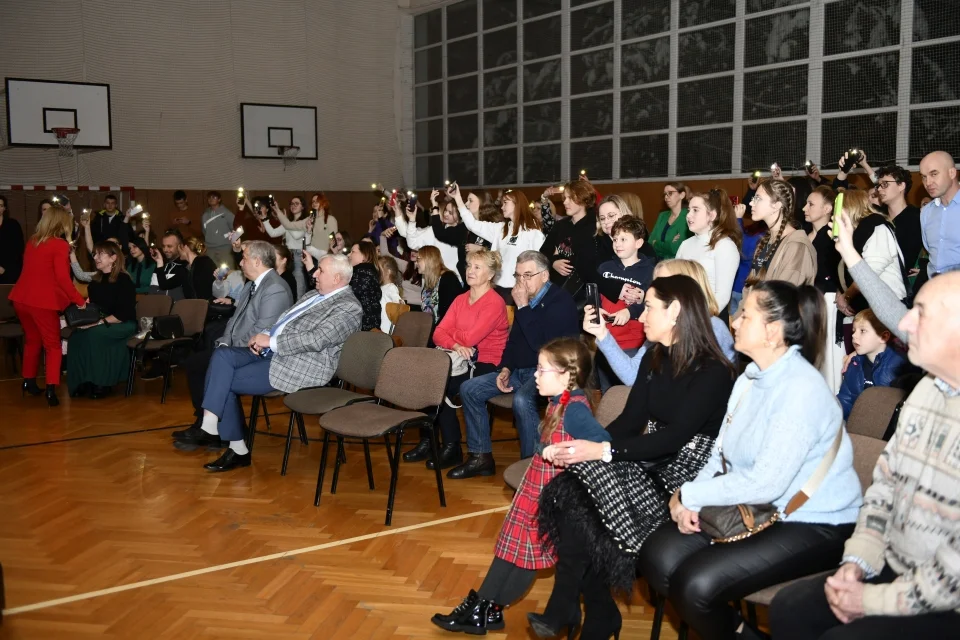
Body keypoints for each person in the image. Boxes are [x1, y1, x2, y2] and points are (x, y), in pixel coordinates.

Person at [637, 281, 863, 640]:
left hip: (813, 521)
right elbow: (719, 455)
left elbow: (767, 482)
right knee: (657, 556)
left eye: (745, 314)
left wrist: (691, 496)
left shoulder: (800, 390)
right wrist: (690, 496)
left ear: (772, 332)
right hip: (758, 505)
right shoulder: (748, 379)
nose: (735, 321)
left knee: (695, 586)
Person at [770, 223, 960, 640]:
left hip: (948, 597)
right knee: (790, 609)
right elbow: (883, 491)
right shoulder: (926, 391)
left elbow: (952, 576)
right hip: (895, 564)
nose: (906, 320)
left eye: (921, 312)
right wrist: (856, 564)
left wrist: (869, 601)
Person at [530, 275, 737, 639]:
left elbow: (676, 438)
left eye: (650, 308)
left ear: (675, 312)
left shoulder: (714, 371)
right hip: (652, 455)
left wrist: (604, 451)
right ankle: (587, 612)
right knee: (580, 488)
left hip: (690, 471)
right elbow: (632, 420)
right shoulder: (656, 358)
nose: (641, 317)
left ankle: (576, 609)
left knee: (590, 505)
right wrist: (594, 450)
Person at [431, 338, 611, 635]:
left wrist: (571, 453)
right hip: (536, 488)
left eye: (542, 370)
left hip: (551, 498)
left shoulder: (576, 409)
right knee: (509, 548)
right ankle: (484, 608)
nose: (536, 376)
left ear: (567, 376)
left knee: (525, 554)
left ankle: (488, 609)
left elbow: (604, 445)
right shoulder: (560, 401)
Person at [193, 253, 362, 472]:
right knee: (222, 355)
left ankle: (235, 447)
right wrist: (263, 335)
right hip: (274, 352)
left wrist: (271, 342)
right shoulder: (313, 294)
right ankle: (210, 423)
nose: (315, 274)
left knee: (225, 379)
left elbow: (316, 339)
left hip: (301, 364)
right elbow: (283, 322)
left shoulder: (349, 307)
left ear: (337, 278)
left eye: (321, 271)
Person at [422, 251, 579, 478]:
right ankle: (480, 458)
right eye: (517, 276)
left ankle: (531, 467)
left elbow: (542, 347)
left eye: (527, 275)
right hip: (519, 370)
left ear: (544, 275)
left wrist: (523, 307)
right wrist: (506, 368)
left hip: (551, 372)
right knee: (470, 389)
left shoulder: (559, 301)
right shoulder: (526, 300)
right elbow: (515, 342)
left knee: (523, 400)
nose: (521, 282)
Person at [172, 241, 294, 445]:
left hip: (260, 354)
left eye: (244, 258)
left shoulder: (275, 288)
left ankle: (217, 427)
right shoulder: (251, 285)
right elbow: (234, 321)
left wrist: (228, 348)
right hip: (238, 347)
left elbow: (261, 332)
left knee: (216, 365)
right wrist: (224, 342)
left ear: (257, 261)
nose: (241, 261)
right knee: (196, 363)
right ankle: (207, 422)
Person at [587, 259, 737, 387]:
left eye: (662, 284)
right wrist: (602, 333)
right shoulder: (660, 325)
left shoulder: (713, 328)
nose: (653, 289)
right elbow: (633, 376)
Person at [425, 249, 509, 472]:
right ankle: (450, 447)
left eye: (477, 267)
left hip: (490, 363)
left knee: (455, 386)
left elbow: (472, 337)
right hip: (463, 357)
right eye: (469, 265)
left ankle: (475, 454)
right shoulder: (461, 299)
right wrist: (456, 345)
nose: (470, 271)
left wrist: (453, 335)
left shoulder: (494, 302)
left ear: (490, 275)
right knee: (436, 381)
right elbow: (437, 332)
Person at [11, 204, 87, 406]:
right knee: (53, 346)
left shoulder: (33, 241)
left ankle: (28, 382)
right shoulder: (60, 245)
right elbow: (63, 279)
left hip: (21, 299)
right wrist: (80, 301)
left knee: (32, 341)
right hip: (41, 302)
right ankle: (51, 390)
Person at [836, 190, 908, 351]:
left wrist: (847, 296)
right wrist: (841, 292)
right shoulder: (857, 233)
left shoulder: (876, 226)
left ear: (848, 207)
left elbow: (869, 272)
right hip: (870, 309)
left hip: (889, 307)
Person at [66, 242, 137, 399]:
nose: (96, 258)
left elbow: (123, 314)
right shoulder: (96, 281)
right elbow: (93, 308)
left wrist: (97, 323)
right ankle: (83, 381)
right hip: (101, 320)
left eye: (100, 254)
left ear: (113, 258)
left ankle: (101, 383)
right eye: (95, 255)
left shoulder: (124, 280)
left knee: (94, 335)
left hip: (123, 323)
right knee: (76, 336)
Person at [595, 216, 657, 391]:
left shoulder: (650, 271)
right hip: (606, 340)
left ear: (638, 243)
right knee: (608, 396)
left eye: (623, 239)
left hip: (633, 344)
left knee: (630, 394)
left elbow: (653, 304)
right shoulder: (604, 268)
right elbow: (595, 297)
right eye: (615, 239)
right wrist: (594, 309)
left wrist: (630, 311)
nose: (618, 244)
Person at [453, 185, 544, 301]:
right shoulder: (500, 229)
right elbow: (472, 225)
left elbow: (539, 266)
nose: (502, 207)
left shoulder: (533, 233)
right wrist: (457, 198)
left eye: (505, 203)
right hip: (496, 288)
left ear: (517, 204)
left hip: (519, 291)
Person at [740, 178, 816, 310]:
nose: (751, 203)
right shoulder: (764, 243)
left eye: (758, 198)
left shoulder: (797, 247)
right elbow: (749, 289)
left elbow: (784, 301)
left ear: (776, 205)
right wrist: (741, 318)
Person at [803, 185, 846, 392]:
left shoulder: (832, 238)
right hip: (806, 303)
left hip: (827, 302)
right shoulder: (803, 236)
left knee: (828, 360)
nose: (805, 208)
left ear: (828, 208)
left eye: (811, 204)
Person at [676, 188, 742, 319]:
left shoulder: (725, 246)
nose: (688, 215)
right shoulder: (685, 244)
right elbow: (675, 283)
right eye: (689, 210)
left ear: (712, 215)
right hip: (683, 316)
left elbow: (721, 297)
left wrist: (700, 321)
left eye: (695, 210)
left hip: (708, 320)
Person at [836, 309, 907, 420]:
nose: (854, 336)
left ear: (883, 337)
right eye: (854, 331)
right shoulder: (854, 365)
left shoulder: (899, 364)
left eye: (863, 331)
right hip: (860, 426)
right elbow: (846, 400)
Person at [540, 179, 600, 296]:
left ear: (583, 199)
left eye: (570, 198)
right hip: (557, 288)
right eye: (565, 198)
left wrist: (557, 254)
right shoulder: (561, 225)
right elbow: (543, 251)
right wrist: (553, 262)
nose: (565, 202)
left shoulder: (594, 228)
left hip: (581, 291)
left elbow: (589, 263)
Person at [255, 196, 310, 298]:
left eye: (296, 203)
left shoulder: (306, 220)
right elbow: (273, 233)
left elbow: (297, 235)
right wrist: (265, 219)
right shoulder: (288, 222)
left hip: (298, 256)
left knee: (299, 289)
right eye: (291, 204)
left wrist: (284, 220)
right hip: (287, 255)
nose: (293, 206)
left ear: (303, 207)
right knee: (286, 286)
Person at [394, 197, 461, 280]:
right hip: (447, 280)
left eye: (434, 211)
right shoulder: (433, 231)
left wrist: (410, 219)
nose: (431, 215)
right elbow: (409, 234)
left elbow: (412, 240)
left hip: (444, 280)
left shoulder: (435, 232)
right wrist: (399, 212)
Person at [876, 165, 923, 278]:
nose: (879, 189)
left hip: (906, 288)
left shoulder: (918, 217)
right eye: (879, 185)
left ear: (901, 185)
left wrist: (926, 269)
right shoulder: (877, 218)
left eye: (885, 184)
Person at [918, 151, 960, 279]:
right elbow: (929, 249)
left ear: (952, 173)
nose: (928, 182)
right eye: (924, 177)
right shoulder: (926, 212)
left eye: (934, 174)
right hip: (935, 291)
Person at [416, 245, 463, 324]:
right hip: (429, 330)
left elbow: (450, 313)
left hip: (443, 331)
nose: (416, 263)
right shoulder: (429, 283)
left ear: (428, 259)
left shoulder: (448, 279)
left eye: (418, 259)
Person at [345, 242, 382, 331]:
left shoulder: (363, 275)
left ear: (364, 256)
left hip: (363, 332)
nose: (349, 255)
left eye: (353, 252)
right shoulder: (365, 273)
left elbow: (346, 295)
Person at [649, 182, 690, 260]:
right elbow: (650, 242)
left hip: (677, 264)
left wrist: (656, 243)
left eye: (670, 193)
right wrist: (669, 243)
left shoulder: (687, 216)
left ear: (682, 195)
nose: (666, 197)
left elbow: (675, 248)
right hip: (658, 262)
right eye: (665, 194)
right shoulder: (662, 215)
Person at [149, 230, 189, 301]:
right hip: (159, 309)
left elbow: (165, 286)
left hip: (180, 309)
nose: (165, 249)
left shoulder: (186, 266)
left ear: (180, 246)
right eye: (163, 246)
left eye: (169, 246)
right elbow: (152, 292)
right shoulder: (160, 266)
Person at [200, 191, 236, 266]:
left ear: (219, 199)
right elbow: (204, 231)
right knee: (212, 271)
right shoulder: (205, 214)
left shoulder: (226, 213)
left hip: (225, 247)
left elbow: (235, 228)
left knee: (227, 271)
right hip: (209, 248)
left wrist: (231, 242)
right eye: (209, 197)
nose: (211, 199)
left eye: (214, 197)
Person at [178, 236, 217, 301]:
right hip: (195, 306)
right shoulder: (187, 267)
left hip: (205, 306)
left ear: (186, 247)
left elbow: (206, 290)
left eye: (179, 248)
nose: (178, 252)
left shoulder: (204, 262)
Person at [0, 194, 25, 284]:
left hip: (10, 271)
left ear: (4, 208)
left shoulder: (12, 225)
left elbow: (18, 248)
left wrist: (4, 267)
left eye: (1, 205)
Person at [378, 256, 403, 333]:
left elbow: (398, 302)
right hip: (381, 325)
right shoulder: (381, 287)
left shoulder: (391, 287)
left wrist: (399, 302)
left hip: (387, 326)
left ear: (388, 272)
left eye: (379, 270)